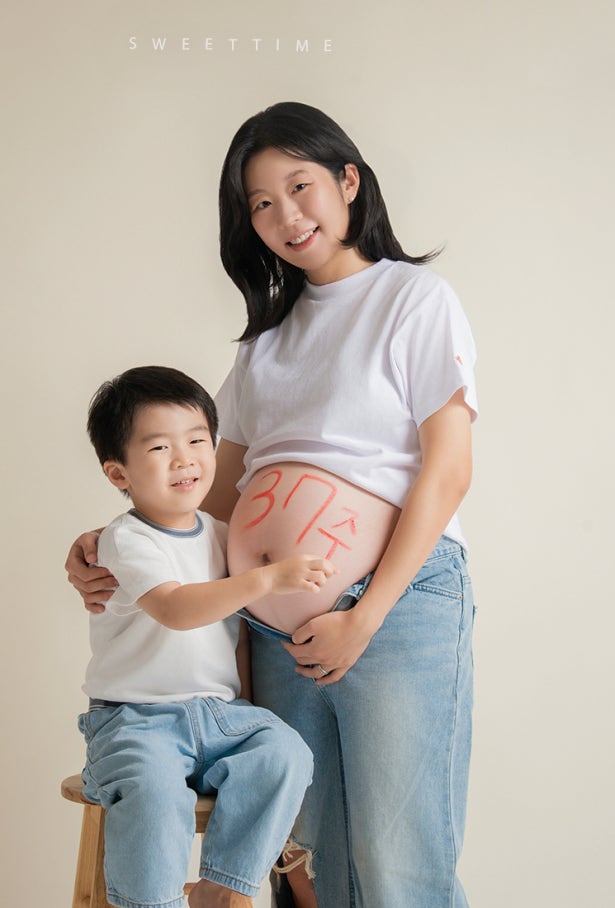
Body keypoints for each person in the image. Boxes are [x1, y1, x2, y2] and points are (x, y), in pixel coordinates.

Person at [67, 103, 478, 908]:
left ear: (348, 181)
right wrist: (110, 541)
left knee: (397, 862)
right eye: (259, 203)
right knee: (306, 858)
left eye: (299, 186)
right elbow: (208, 494)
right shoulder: (265, 342)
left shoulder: (412, 298)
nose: (284, 215)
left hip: (395, 608)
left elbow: (448, 471)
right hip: (269, 632)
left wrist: (364, 615)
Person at [78, 364, 334, 908]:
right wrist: (266, 579)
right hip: (136, 718)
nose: (184, 459)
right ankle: (153, 901)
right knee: (154, 793)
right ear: (119, 473)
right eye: (159, 447)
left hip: (219, 716)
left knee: (284, 752)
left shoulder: (221, 535)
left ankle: (223, 888)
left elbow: (236, 637)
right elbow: (175, 608)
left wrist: (247, 705)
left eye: (197, 440)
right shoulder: (126, 539)